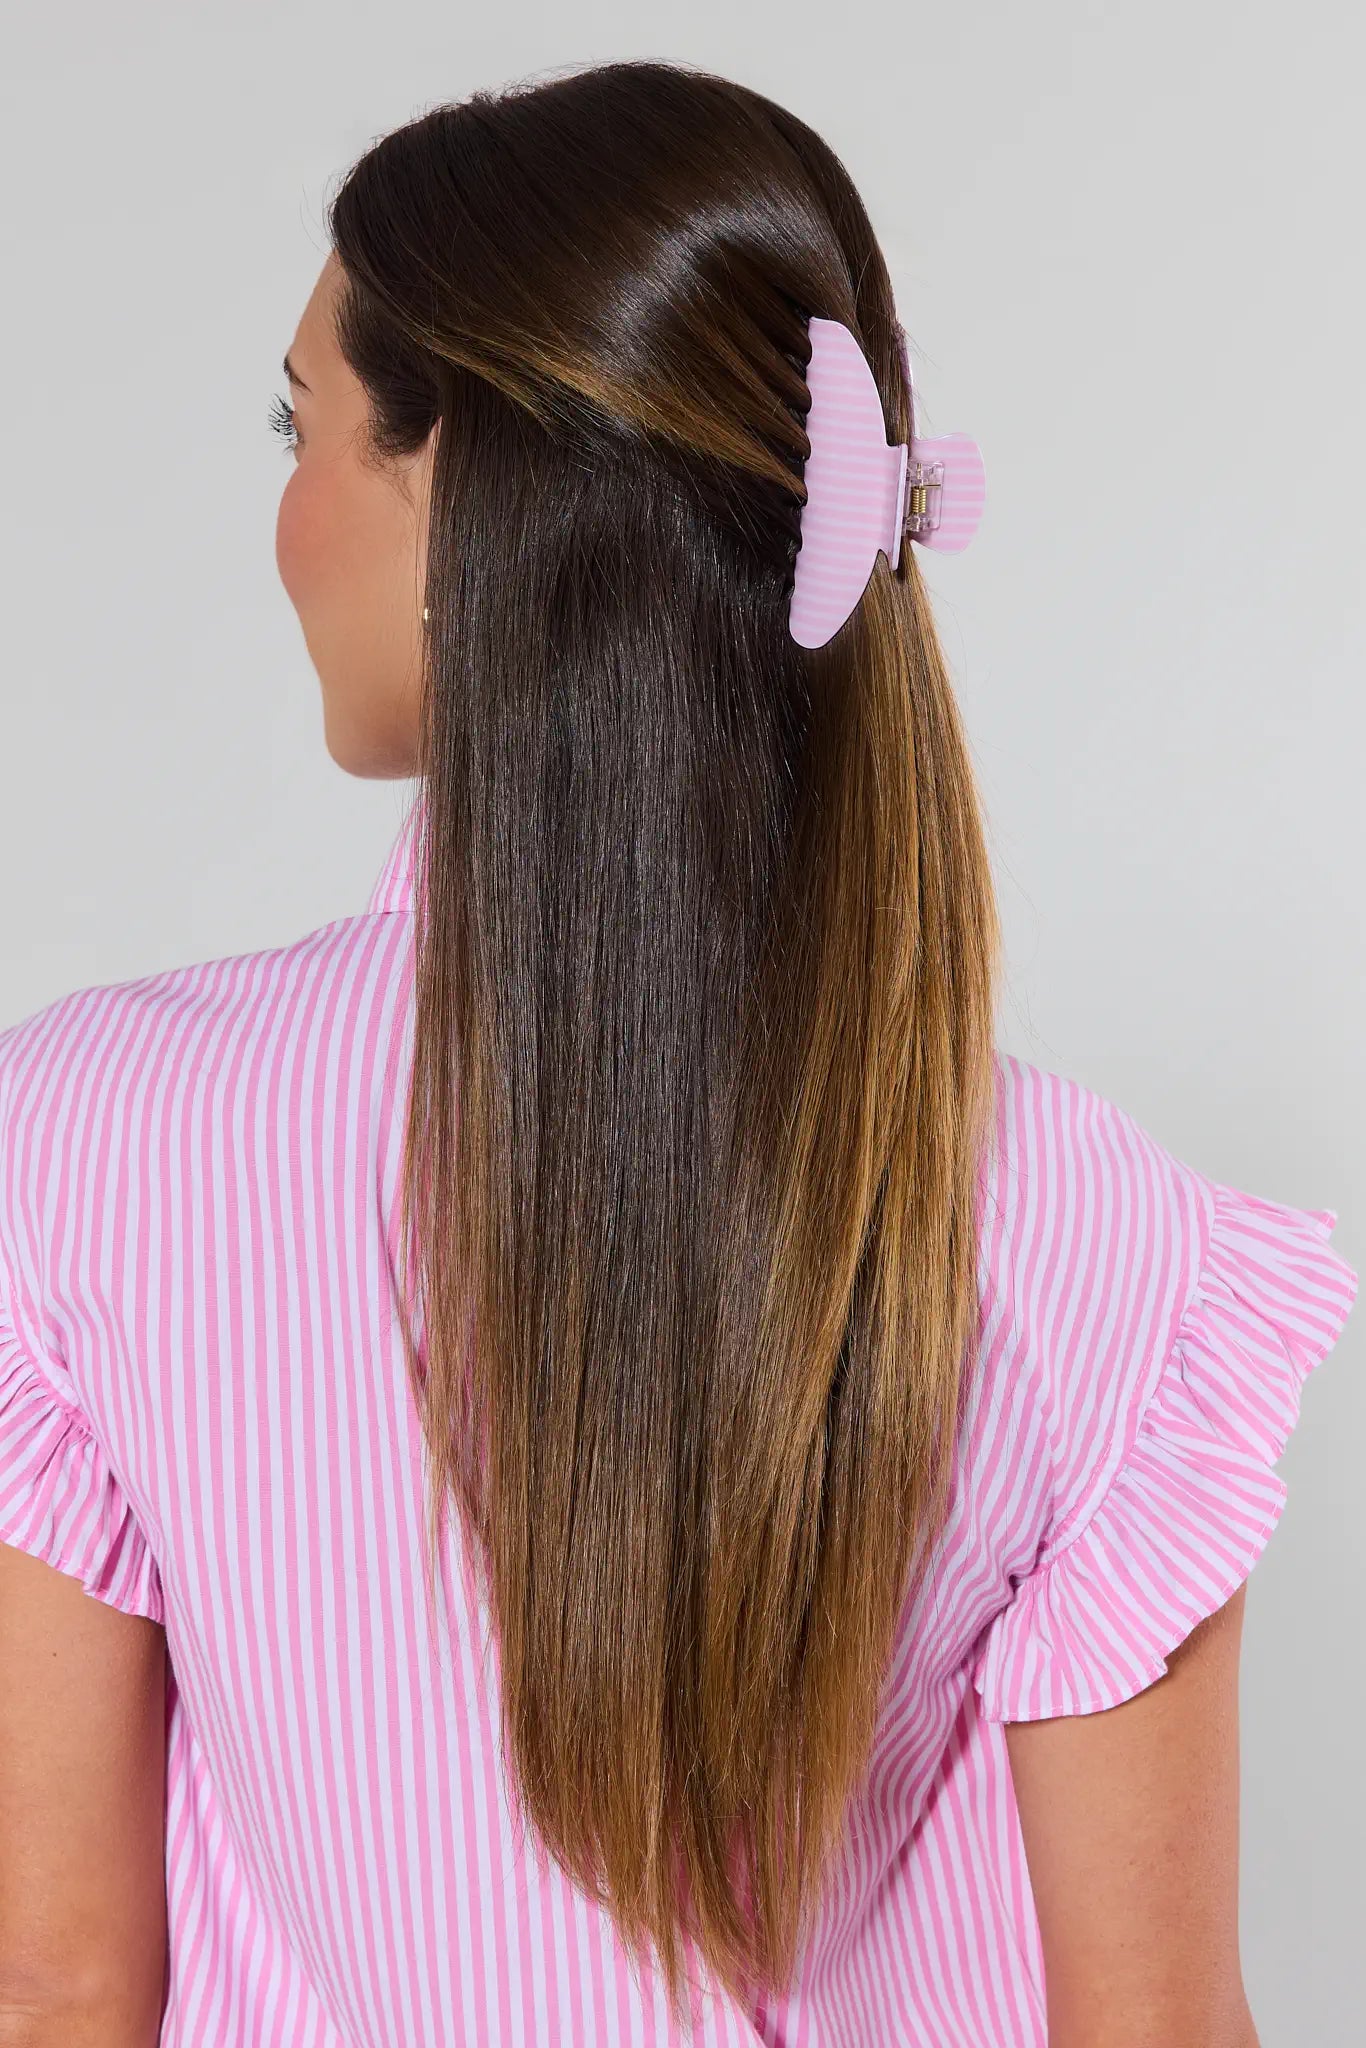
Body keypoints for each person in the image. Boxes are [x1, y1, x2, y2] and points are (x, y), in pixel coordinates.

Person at [0, 57, 1355, 2048]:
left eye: (304, 424)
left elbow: (60, 1974)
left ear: (460, 478)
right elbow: (1151, 2024)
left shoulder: (86, 1139)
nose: (284, 515)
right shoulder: (1090, 1234)